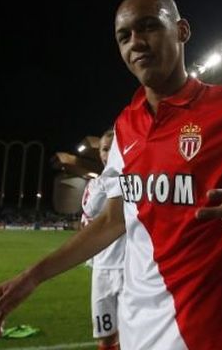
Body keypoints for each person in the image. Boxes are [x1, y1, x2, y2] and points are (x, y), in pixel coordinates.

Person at [0, 0, 222, 349]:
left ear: (182, 30)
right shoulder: (126, 125)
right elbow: (112, 221)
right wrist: (32, 277)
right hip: (134, 329)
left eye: (149, 27)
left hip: (199, 336)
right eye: (124, 37)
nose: (136, 43)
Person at [80, 129, 125, 350]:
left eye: (112, 148)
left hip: (132, 268)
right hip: (103, 268)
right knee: (105, 337)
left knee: (134, 335)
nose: (108, 153)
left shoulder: (136, 180)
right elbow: (93, 213)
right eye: (104, 149)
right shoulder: (93, 186)